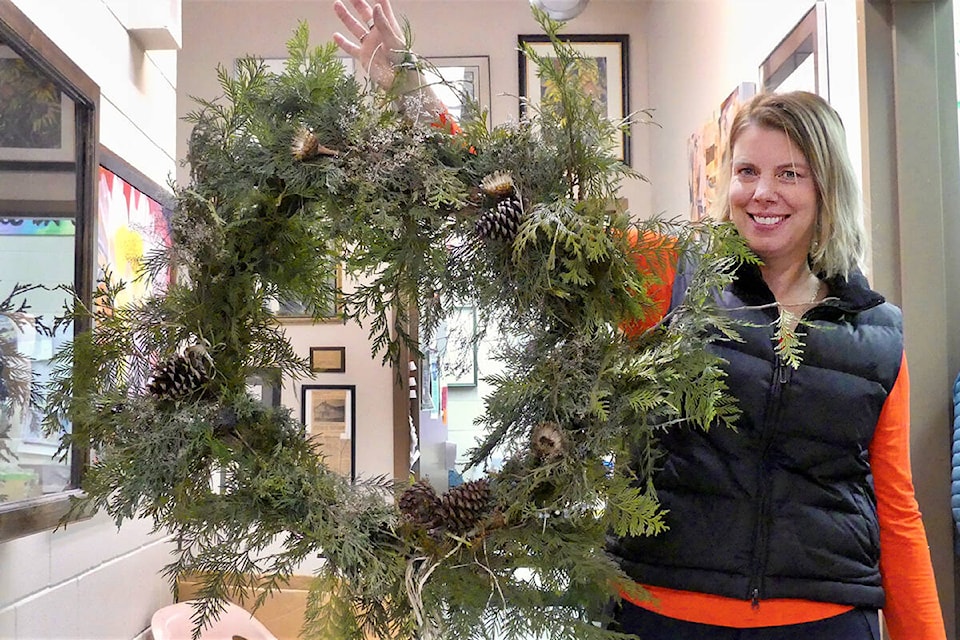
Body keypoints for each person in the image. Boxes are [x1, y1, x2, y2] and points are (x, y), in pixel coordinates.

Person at [332, 3, 946, 638]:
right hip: (663, 612)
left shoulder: (877, 335)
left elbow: (896, 511)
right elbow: (524, 218)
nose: (762, 192)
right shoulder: (669, 274)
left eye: (789, 173)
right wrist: (414, 88)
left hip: (824, 621)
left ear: (827, 188)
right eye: (746, 171)